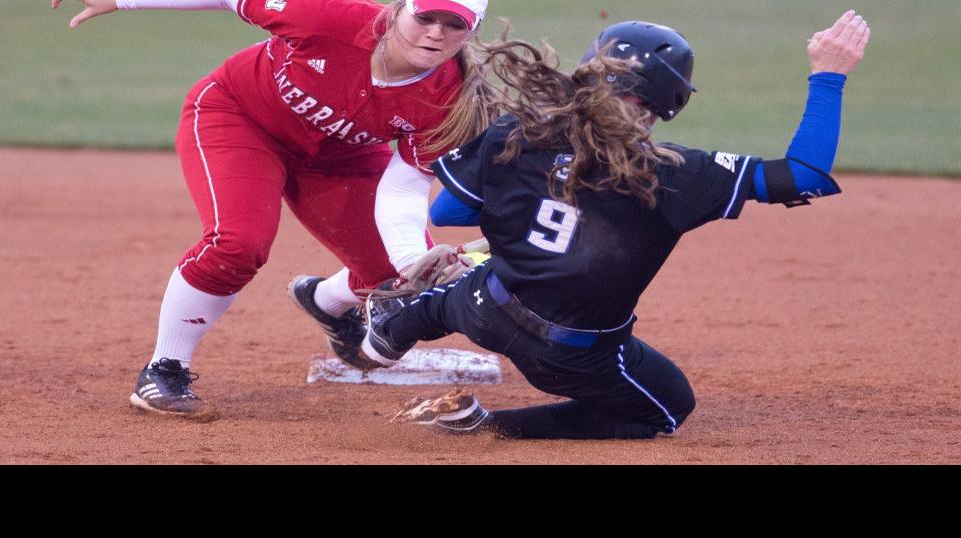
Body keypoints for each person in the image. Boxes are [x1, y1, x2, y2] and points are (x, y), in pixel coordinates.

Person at [360, 12, 871, 439]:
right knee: (667, 407)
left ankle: (399, 323)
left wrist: (513, 222)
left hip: (484, 309)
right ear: (668, 101)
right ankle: (492, 427)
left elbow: (447, 213)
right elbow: (806, 177)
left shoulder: (521, 131)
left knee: (476, 284)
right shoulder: (675, 174)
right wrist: (829, 74)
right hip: (568, 357)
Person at [51, 0, 499, 415]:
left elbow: (401, 191)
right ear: (402, 9)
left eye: (454, 24)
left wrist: (407, 266)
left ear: (470, 31)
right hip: (240, 117)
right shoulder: (330, 19)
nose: (436, 33)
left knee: (399, 278)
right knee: (238, 243)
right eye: (426, 17)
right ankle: (164, 368)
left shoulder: (452, 100)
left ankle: (325, 301)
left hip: (342, 154)